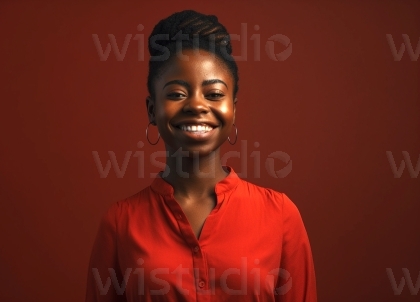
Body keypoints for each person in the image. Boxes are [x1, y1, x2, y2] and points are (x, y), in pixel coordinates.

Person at [86, 9, 317, 301]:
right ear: (152, 110)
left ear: (233, 109)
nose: (196, 105)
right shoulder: (120, 223)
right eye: (177, 93)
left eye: (214, 94)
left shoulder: (281, 216)